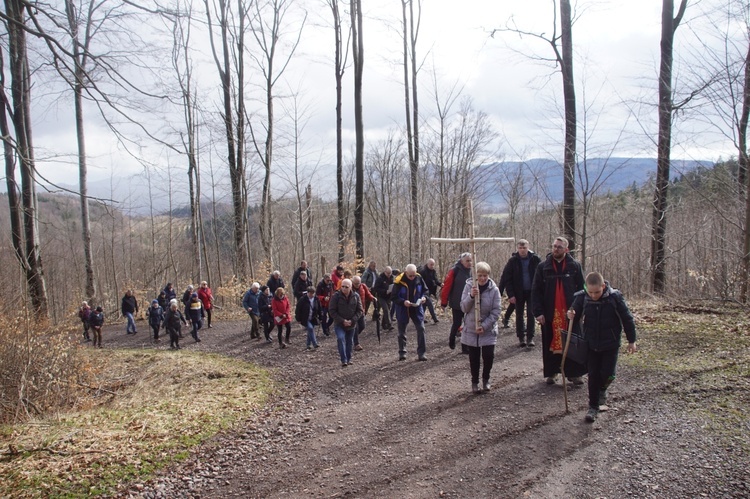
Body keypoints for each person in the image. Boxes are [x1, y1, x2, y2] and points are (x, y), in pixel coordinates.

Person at [568, 272, 637, 422]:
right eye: (590, 292)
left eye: (597, 292)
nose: (593, 295)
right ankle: (593, 407)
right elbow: (574, 310)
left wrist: (632, 340)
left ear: (603, 286)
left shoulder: (615, 298)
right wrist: (571, 313)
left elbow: (627, 319)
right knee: (593, 376)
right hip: (591, 344)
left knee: (608, 374)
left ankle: (602, 390)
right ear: (586, 288)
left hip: (610, 344)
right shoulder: (582, 297)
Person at [531, 236, 587, 385]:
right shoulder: (543, 267)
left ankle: (574, 374)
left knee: (572, 343)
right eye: (554, 246)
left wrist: (579, 310)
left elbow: (582, 290)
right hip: (550, 313)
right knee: (551, 341)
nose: (556, 249)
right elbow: (536, 291)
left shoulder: (574, 266)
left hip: (570, 313)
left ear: (566, 249)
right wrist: (538, 312)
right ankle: (552, 372)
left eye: (559, 247)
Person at [460, 262, 502, 393]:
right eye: (480, 276)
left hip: (487, 329)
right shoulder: (468, 287)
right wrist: (471, 296)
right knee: (474, 357)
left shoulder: (494, 289)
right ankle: (475, 382)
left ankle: (486, 379)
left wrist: (484, 326)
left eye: (485, 275)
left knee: (488, 356)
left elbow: (496, 311)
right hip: (471, 329)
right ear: (475, 276)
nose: (483, 278)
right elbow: (463, 307)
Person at [500, 239, 542, 348]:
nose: (522, 250)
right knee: (519, 315)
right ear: (517, 248)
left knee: (530, 314)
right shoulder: (513, 261)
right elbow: (507, 278)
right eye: (520, 248)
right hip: (518, 292)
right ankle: (521, 338)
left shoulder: (535, 259)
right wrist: (511, 294)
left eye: (524, 248)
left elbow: (541, 276)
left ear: (528, 248)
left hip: (532, 291)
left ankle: (530, 337)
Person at [393, 264, 428, 361]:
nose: (412, 278)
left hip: (417, 308)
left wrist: (424, 297)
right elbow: (394, 297)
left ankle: (422, 353)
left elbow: (425, 291)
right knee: (402, 332)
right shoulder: (398, 281)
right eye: (410, 276)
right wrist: (403, 302)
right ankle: (402, 351)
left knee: (421, 329)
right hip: (403, 309)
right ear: (405, 272)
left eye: (414, 275)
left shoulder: (419, 278)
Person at [441, 253, 473, 353]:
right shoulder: (454, 271)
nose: (469, 263)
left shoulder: (474, 271)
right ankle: (452, 339)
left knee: (467, 324)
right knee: (457, 323)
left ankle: (465, 347)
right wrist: (444, 302)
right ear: (462, 261)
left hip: (470, 302)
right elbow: (446, 287)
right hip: (457, 302)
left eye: (470, 260)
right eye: (467, 261)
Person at [328, 278, 363, 367]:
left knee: (349, 342)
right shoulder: (336, 297)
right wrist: (342, 321)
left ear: (350, 287)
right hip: (339, 324)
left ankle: (348, 358)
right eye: (342, 286)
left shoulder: (356, 296)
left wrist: (352, 320)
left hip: (352, 324)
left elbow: (359, 311)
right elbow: (332, 311)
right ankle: (343, 360)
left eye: (346, 287)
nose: (344, 288)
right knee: (340, 338)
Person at [351, 275, 374, 351]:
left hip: (362, 310)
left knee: (362, 326)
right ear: (352, 282)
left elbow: (368, 294)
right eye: (356, 283)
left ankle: (351, 336)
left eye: (359, 283)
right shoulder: (349, 288)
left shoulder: (363, 286)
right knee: (355, 326)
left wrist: (373, 298)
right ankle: (356, 344)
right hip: (352, 312)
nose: (357, 285)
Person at [295, 286, 322, 350]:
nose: (312, 295)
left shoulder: (316, 299)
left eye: (313, 293)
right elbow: (298, 310)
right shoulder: (303, 299)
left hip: (313, 317)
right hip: (305, 318)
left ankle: (308, 345)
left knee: (310, 330)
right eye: (310, 293)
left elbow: (319, 309)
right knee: (310, 328)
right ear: (307, 293)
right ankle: (315, 343)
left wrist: (320, 317)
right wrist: (298, 319)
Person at [417, 258, 442, 324]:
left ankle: (421, 318)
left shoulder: (433, 271)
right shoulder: (422, 271)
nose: (432, 266)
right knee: (429, 303)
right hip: (424, 290)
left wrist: (440, 284)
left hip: (430, 290)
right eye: (431, 265)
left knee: (424, 305)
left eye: (433, 265)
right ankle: (435, 318)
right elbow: (419, 281)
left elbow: (435, 279)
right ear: (427, 264)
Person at [373, 266, 394, 331]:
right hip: (381, 296)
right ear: (385, 272)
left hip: (389, 297)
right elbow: (376, 288)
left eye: (390, 273)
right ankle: (389, 325)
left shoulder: (392, 277)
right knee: (386, 309)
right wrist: (385, 291)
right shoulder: (380, 278)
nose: (389, 275)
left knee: (388, 309)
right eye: (388, 273)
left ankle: (384, 324)